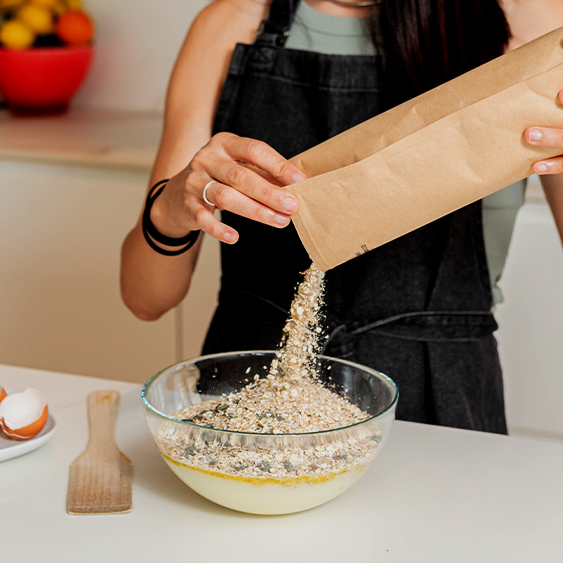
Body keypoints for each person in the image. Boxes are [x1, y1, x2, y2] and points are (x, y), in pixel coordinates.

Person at [120, 0, 563, 434]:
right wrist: (171, 208)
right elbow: (145, 299)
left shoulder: (531, 22)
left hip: (442, 400)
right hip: (252, 402)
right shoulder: (231, 22)